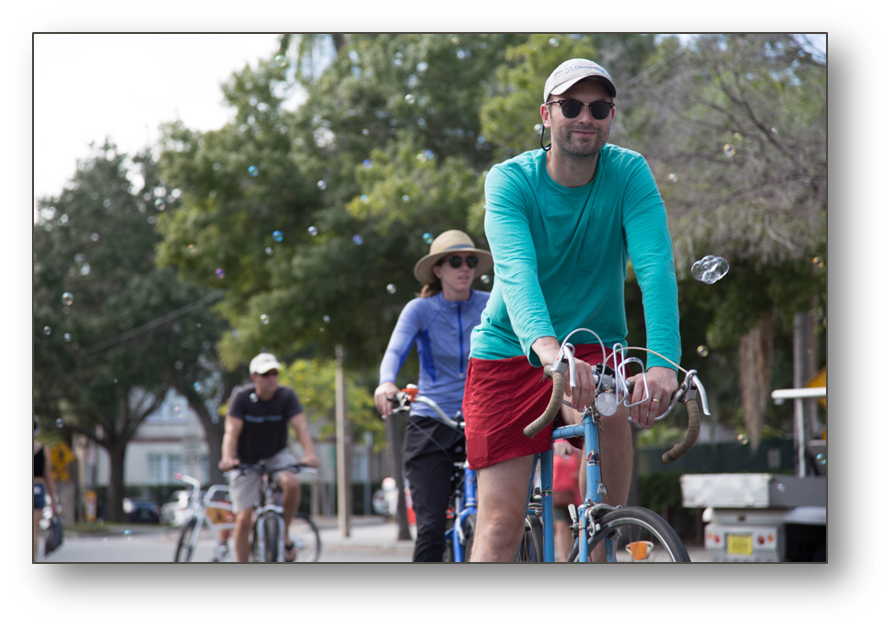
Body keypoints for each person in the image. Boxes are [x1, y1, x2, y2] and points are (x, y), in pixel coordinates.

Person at [463, 59, 681, 562]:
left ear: (610, 116)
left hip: (593, 342)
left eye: (599, 107)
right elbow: (516, 273)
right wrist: (545, 349)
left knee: (602, 522)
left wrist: (663, 364)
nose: (586, 116)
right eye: (572, 106)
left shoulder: (629, 172)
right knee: (500, 527)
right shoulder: (509, 181)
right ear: (547, 113)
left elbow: (654, 267)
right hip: (510, 349)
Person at [373, 230, 492, 561]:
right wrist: (386, 383)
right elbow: (395, 351)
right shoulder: (419, 310)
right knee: (430, 529)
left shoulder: (490, 303)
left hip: (482, 418)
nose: (464, 267)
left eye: (470, 261)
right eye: (455, 261)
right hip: (431, 422)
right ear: (437, 270)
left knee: (501, 521)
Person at [218, 353, 320, 562]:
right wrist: (227, 458)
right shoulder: (242, 397)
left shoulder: (286, 396)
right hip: (246, 459)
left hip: (276, 455)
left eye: (275, 373)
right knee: (244, 519)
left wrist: (310, 455)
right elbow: (231, 432)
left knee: (291, 483)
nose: (272, 378)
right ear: (254, 377)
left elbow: (301, 427)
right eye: (266, 374)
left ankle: (285, 533)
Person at [33, 418, 58, 559]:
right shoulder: (44, 450)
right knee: (33, 532)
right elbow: (49, 477)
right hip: (37, 489)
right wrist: (53, 502)